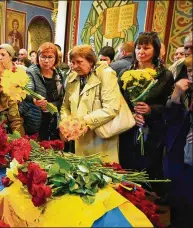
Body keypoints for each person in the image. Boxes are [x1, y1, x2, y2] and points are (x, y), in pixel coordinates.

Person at [118, 32, 174, 193]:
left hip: (153, 129)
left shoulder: (164, 75)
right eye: (138, 47)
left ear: (155, 50)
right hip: (129, 127)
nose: (141, 51)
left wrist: (150, 110)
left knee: (149, 166)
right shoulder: (125, 73)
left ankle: (148, 203)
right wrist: (132, 115)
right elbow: (119, 102)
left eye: (146, 48)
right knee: (127, 166)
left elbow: (168, 105)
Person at [60, 45, 120, 162]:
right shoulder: (72, 77)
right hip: (77, 138)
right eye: (72, 62)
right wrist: (66, 124)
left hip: (99, 137)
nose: (75, 66)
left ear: (91, 61)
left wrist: (82, 123)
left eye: (79, 62)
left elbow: (111, 108)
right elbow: (65, 106)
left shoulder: (106, 74)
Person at [163, 55, 193, 228]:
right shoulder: (185, 90)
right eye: (190, 71)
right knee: (177, 189)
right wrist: (176, 94)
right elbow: (169, 116)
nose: (192, 75)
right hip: (178, 146)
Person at [24, 42, 64, 140]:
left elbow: (62, 98)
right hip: (35, 119)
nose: (46, 61)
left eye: (50, 57)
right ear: (38, 57)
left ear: (55, 59)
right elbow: (28, 91)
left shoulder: (58, 74)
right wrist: (34, 100)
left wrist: (52, 105)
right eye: (43, 57)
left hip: (53, 120)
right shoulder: (31, 72)